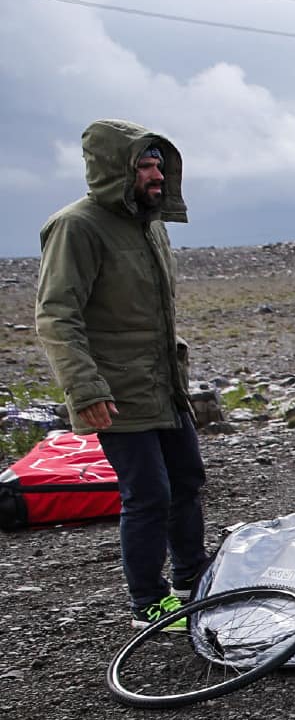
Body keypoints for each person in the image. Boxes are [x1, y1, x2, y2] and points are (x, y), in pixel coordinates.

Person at [34, 120, 208, 627]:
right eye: (144, 166)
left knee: (186, 482)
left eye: (159, 165)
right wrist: (85, 388)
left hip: (164, 383)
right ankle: (148, 603)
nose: (156, 175)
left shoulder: (149, 224)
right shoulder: (77, 227)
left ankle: (193, 581)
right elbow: (56, 315)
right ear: (115, 170)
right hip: (115, 390)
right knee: (148, 494)